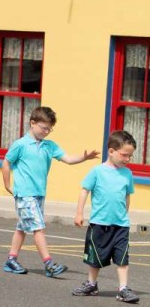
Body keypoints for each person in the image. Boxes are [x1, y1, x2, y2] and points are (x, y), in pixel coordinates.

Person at [1, 106, 99, 276]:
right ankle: (48, 263)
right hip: (24, 193)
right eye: (44, 127)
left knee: (22, 227)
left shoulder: (50, 146)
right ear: (33, 123)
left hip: (39, 193)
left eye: (50, 129)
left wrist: (84, 157)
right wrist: (7, 185)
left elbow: (68, 159)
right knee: (38, 227)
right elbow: (6, 162)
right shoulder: (20, 145)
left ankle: (11, 260)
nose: (47, 131)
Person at [72, 130, 139, 303]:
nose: (127, 159)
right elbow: (84, 190)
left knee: (122, 258)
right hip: (99, 223)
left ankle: (123, 288)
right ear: (111, 151)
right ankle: (91, 284)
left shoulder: (127, 173)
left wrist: (125, 214)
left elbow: (127, 195)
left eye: (130, 156)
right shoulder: (97, 171)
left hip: (121, 225)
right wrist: (79, 213)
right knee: (95, 258)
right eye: (125, 155)